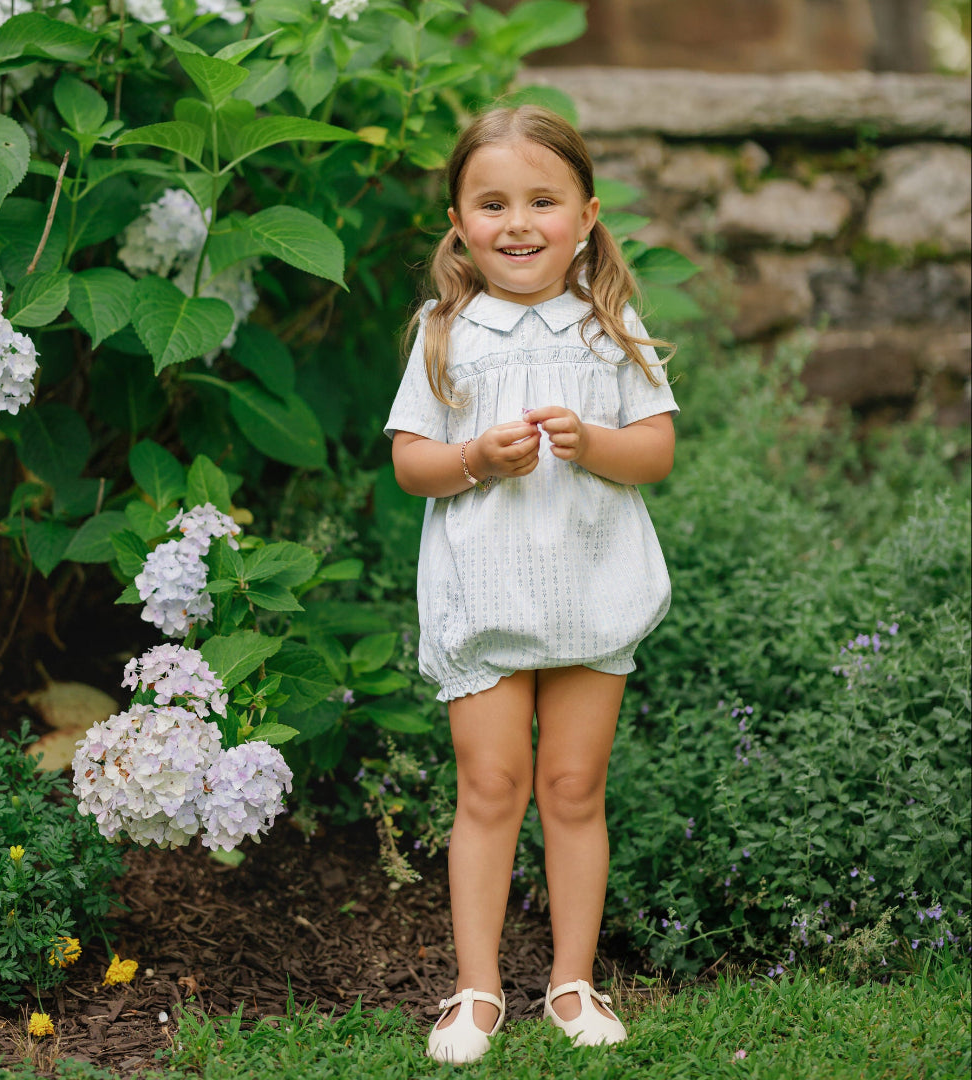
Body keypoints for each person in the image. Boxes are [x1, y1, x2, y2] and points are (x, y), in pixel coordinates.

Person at [384, 105, 678, 1065]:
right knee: (491, 786)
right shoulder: (446, 331)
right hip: (486, 597)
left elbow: (656, 452)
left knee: (574, 786)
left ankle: (571, 981)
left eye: (543, 202)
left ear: (586, 216)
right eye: (493, 204)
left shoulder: (608, 327)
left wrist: (592, 443)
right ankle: (476, 990)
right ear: (460, 223)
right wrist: (474, 457)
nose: (518, 223)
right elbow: (412, 464)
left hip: (591, 593)